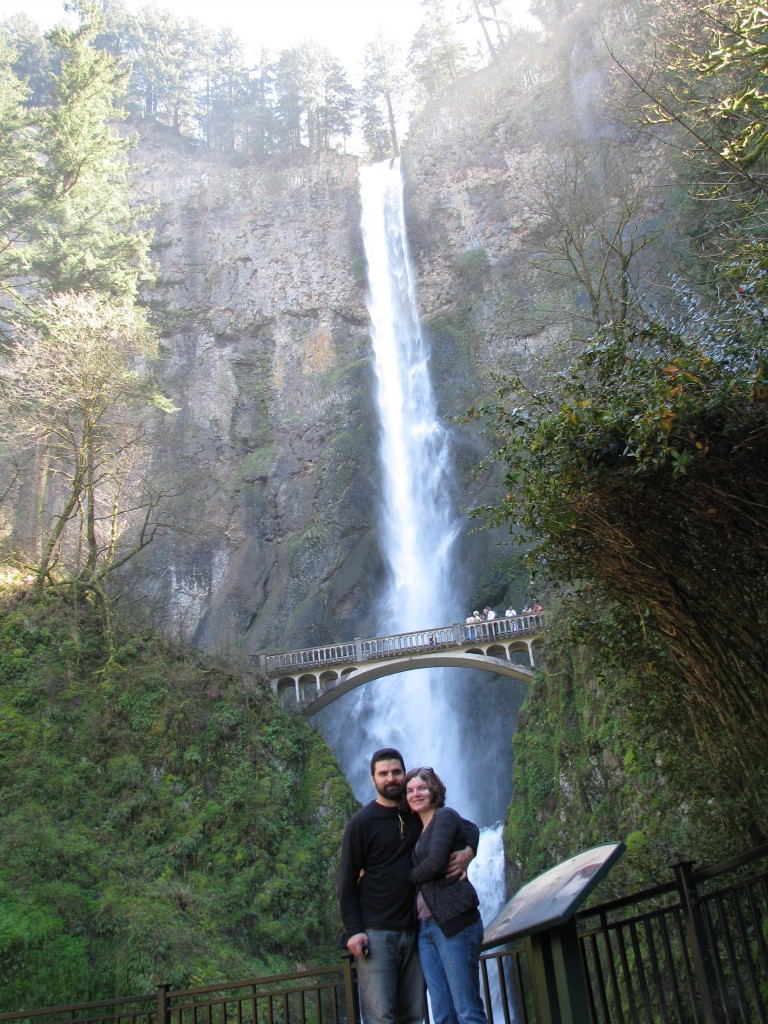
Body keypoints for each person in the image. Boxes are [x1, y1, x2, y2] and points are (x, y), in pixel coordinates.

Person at [339, 749, 479, 1024]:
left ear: (404, 775)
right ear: (373, 779)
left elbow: (468, 827)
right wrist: (354, 931)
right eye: (383, 774)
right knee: (382, 1016)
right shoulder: (361, 823)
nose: (391, 778)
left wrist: (468, 852)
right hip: (378, 933)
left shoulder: (417, 812)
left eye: (396, 772)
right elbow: (346, 882)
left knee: (415, 1015)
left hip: (418, 931)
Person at [405, 767, 489, 1024]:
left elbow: (438, 861)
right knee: (442, 1013)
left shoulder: (444, 817)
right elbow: (470, 829)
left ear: (434, 790)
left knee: (466, 1010)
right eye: (410, 790)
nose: (415, 794)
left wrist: (405, 879)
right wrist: (469, 848)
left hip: (455, 922)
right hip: (427, 928)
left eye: (422, 788)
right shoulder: (416, 828)